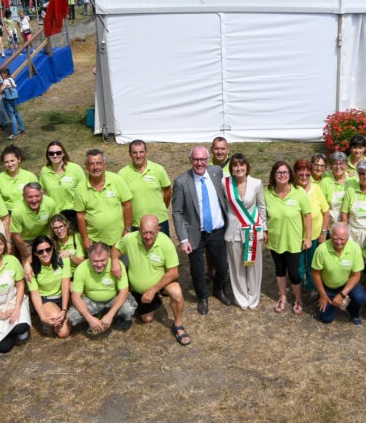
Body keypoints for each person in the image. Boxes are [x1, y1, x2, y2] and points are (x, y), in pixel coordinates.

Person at [112, 215, 190, 345]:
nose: (147, 236)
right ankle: (151, 299)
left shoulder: (165, 243)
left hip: (158, 285)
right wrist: (115, 260)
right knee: (147, 319)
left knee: (176, 292)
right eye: (144, 232)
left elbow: (173, 272)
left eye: (151, 233)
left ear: (158, 229)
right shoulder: (130, 238)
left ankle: (178, 325)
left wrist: (153, 290)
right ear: (138, 230)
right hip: (136, 289)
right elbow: (116, 248)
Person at [171, 146, 231, 314]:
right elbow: (177, 212)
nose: (200, 163)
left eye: (203, 159)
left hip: (217, 231)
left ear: (208, 159)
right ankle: (202, 297)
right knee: (197, 270)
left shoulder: (216, 172)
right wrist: (183, 239)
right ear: (190, 160)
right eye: (196, 159)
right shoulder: (182, 182)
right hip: (195, 234)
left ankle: (219, 290)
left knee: (222, 266)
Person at [264, 160, 312, 315]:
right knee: (279, 270)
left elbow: (307, 216)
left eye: (285, 172)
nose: (282, 175)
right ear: (273, 175)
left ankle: (298, 300)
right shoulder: (267, 193)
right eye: (279, 172)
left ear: (290, 174)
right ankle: (283, 297)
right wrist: (264, 231)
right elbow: (262, 215)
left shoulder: (299, 192)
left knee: (294, 273)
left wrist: (308, 237)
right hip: (275, 240)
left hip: (293, 241)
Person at [222, 153, 266, 310]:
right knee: (237, 267)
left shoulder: (256, 183)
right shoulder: (225, 183)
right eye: (235, 165)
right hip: (233, 231)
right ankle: (241, 297)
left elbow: (261, 206)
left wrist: (264, 228)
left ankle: (253, 297)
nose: (239, 168)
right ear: (231, 168)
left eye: (242, 165)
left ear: (247, 166)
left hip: (253, 230)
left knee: (253, 266)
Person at [69, 242, 137, 333]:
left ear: (109, 257)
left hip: (113, 298)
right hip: (91, 299)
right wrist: (90, 319)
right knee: (72, 316)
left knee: (129, 309)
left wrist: (110, 315)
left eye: (103, 260)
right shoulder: (81, 269)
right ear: (89, 258)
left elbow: (124, 291)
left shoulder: (117, 266)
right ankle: (95, 317)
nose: (99, 264)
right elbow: (75, 297)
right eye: (95, 261)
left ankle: (114, 316)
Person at [73, 148, 134, 248]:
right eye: (91, 164)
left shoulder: (117, 180)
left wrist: (127, 230)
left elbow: (127, 205)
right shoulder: (81, 187)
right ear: (86, 166)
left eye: (98, 163)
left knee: (122, 264)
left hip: (118, 240)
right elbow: (80, 215)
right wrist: (85, 238)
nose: (95, 167)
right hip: (95, 242)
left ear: (105, 165)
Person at [312, 222, 366, 325]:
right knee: (326, 318)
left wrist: (342, 295)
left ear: (348, 238)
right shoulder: (321, 250)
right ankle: (327, 299)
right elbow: (315, 273)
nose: (338, 242)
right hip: (328, 286)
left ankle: (353, 311)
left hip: (346, 283)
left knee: (361, 298)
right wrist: (323, 295)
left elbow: (356, 275)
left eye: (342, 239)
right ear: (331, 235)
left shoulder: (355, 248)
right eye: (335, 238)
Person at [118, 140, 172, 233]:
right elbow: (120, 201)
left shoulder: (158, 169)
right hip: (135, 224)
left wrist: (161, 208)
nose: (138, 155)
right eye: (135, 152)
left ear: (146, 152)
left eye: (141, 152)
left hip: (159, 222)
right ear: (130, 154)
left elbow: (168, 192)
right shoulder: (122, 174)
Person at [295, 159, 330, 292]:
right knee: (298, 265)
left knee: (312, 264)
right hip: (296, 235)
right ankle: (297, 287)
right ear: (295, 173)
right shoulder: (292, 189)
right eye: (301, 174)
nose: (304, 177)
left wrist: (323, 233)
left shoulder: (316, 189)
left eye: (307, 174)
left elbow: (326, 213)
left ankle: (311, 287)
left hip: (315, 234)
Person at [26, 236, 72, 338]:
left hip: (61, 297)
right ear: (35, 253)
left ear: (52, 248)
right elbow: (35, 294)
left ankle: (59, 317)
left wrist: (64, 309)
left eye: (48, 249)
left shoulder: (63, 261)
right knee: (61, 329)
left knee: (64, 333)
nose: (45, 253)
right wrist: (42, 317)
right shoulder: (31, 269)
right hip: (46, 300)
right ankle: (46, 319)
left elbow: (65, 285)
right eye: (40, 251)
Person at [39, 140, 86, 225]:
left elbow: (85, 191)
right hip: (55, 214)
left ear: (63, 153)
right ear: (48, 155)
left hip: (74, 212)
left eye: (58, 152)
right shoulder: (44, 172)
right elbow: (41, 193)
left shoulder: (75, 168)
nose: (55, 155)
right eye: (51, 153)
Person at [9, 182, 57, 260]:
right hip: (26, 240)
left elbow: (55, 223)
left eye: (37, 196)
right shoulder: (17, 211)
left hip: (46, 235)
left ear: (42, 195)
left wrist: (54, 242)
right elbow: (16, 235)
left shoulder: (50, 203)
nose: (34, 200)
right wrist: (26, 256)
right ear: (24, 197)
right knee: (30, 263)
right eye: (30, 197)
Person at [0, 145, 39, 212]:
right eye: (6, 162)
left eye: (12, 161)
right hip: (8, 213)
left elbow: (38, 197)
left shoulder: (30, 177)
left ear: (19, 159)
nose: (10, 164)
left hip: (28, 212)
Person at [319, 151, 351, 226]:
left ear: (346, 165)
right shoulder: (325, 182)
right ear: (330, 166)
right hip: (330, 225)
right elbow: (322, 208)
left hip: (350, 225)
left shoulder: (353, 181)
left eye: (341, 164)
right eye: (335, 164)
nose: (338, 167)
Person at [0, 67, 24, 139]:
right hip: (13, 98)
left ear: (5, 73)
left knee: (11, 116)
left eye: (1, 74)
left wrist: (0, 91)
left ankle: (15, 133)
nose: (1, 76)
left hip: (7, 99)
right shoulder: (11, 79)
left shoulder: (6, 81)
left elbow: (2, 89)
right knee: (16, 113)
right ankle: (22, 128)